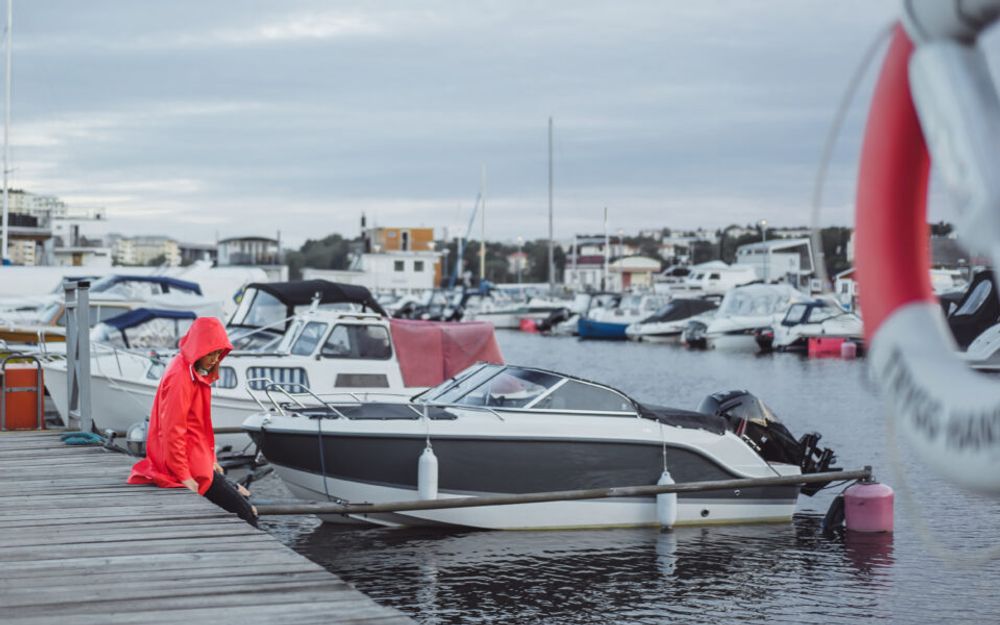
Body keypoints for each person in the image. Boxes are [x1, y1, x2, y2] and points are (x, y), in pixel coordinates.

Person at [127, 317, 258, 526]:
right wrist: (184, 476)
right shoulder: (181, 377)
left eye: (219, 353)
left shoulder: (193, 371)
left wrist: (212, 459)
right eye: (211, 353)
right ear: (199, 347)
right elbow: (172, 431)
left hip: (198, 460)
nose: (215, 359)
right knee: (247, 512)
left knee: (245, 497)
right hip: (189, 466)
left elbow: (199, 427)